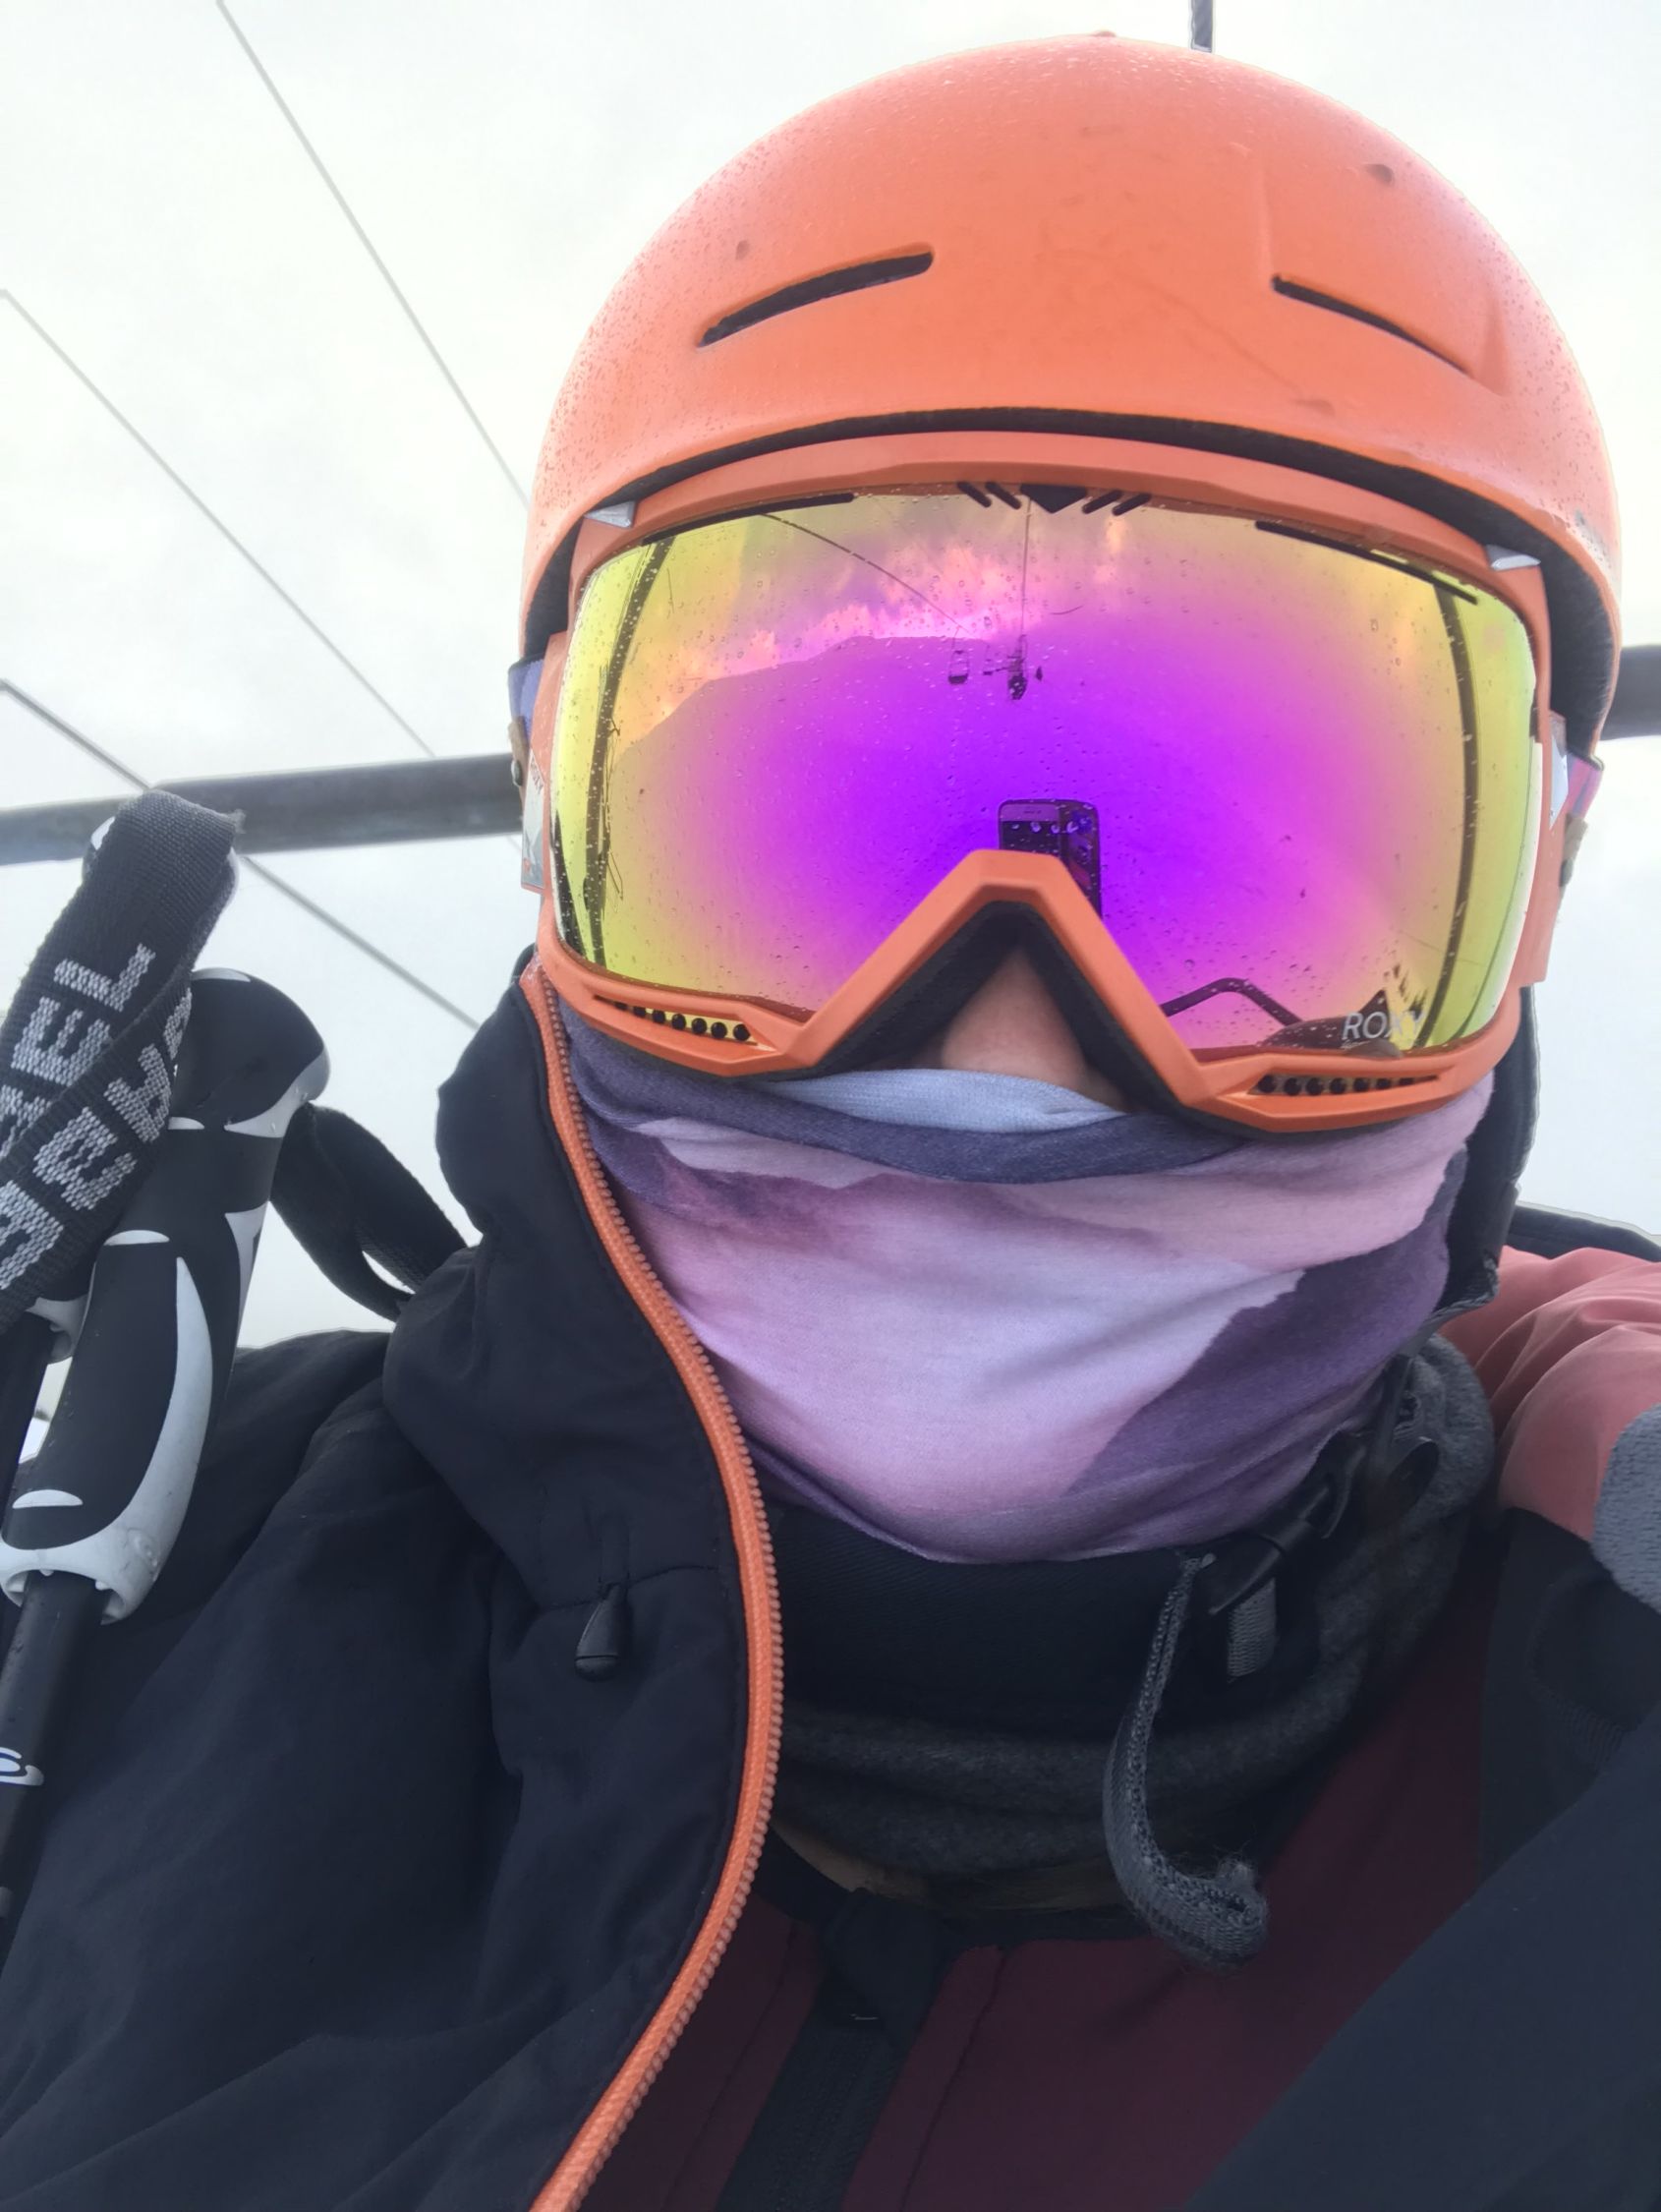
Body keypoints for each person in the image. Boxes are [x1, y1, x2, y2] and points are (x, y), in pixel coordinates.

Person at [2, 30, 1659, 2212]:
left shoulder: (1595, 1764)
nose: (1008, 1049)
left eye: (1230, 870)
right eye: (813, 832)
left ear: (1524, 905)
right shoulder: (124, 1595)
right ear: (553, 835)